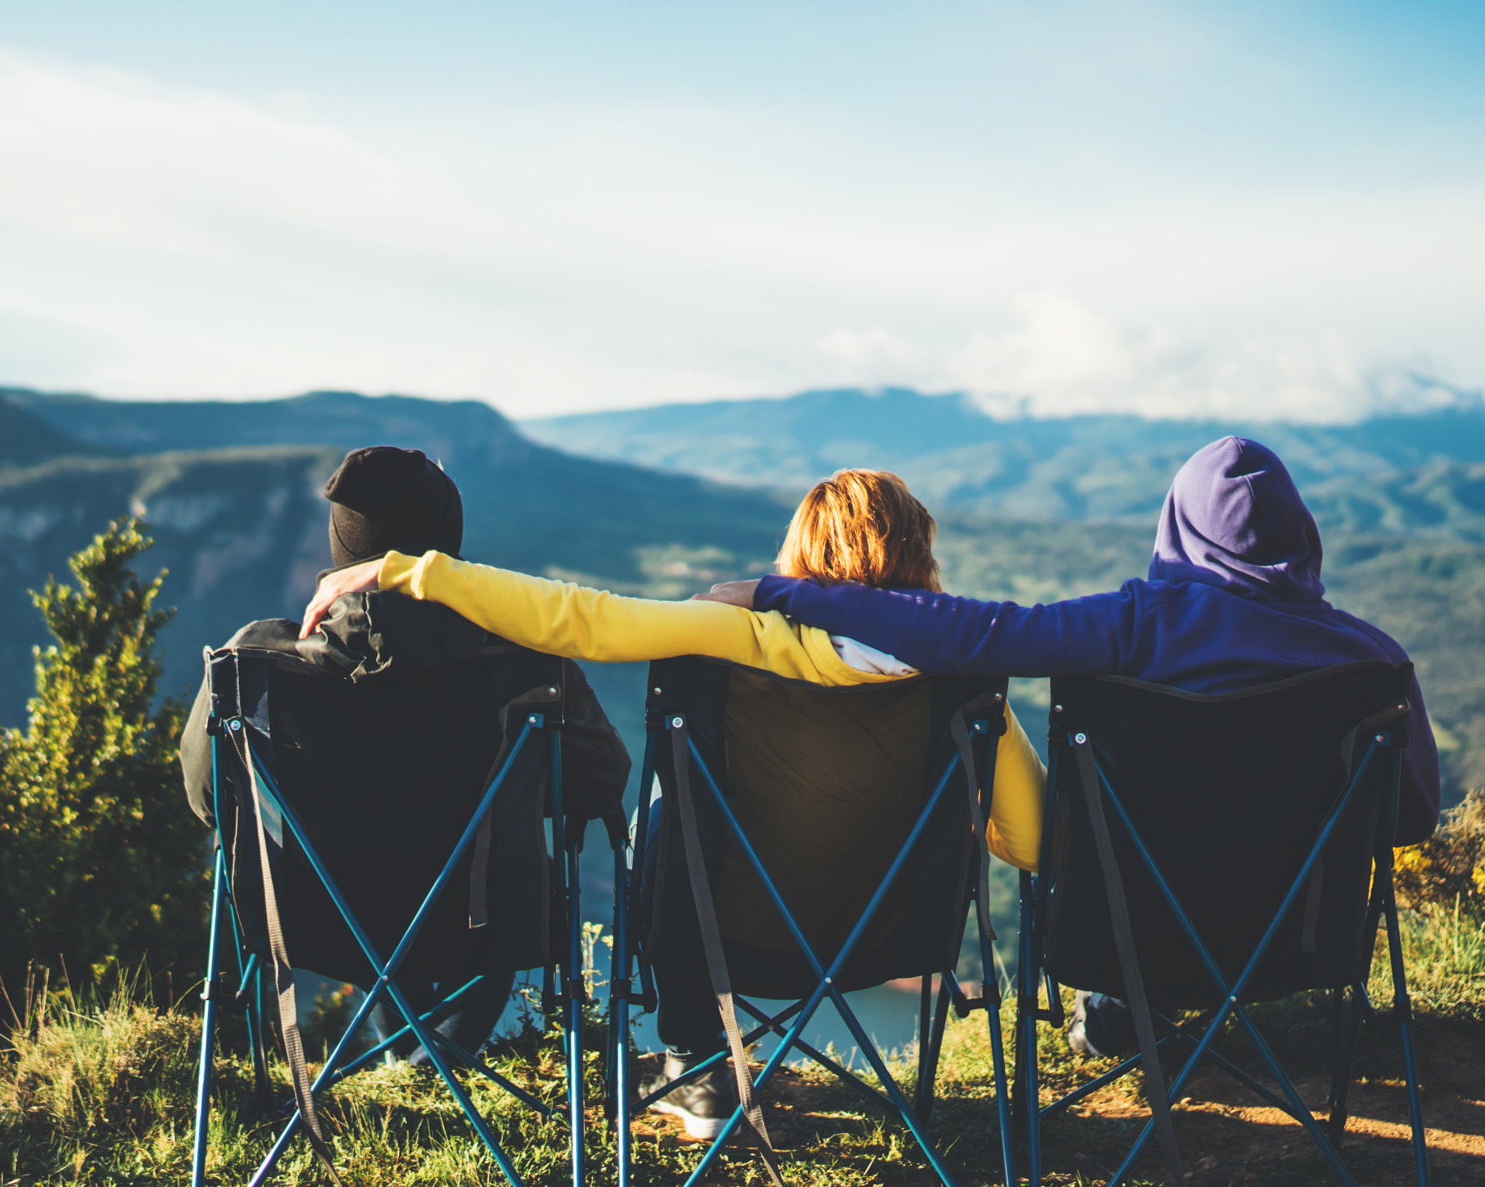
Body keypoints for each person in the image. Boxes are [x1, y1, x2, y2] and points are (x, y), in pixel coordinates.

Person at [300, 468, 1047, 1138]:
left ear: (803, 556)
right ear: (922, 561)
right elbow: (1036, 842)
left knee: (671, 801)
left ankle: (696, 1058)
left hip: (723, 929)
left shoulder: (736, 637)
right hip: (887, 941)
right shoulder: (965, 690)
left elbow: (574, 615)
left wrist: (410, 573)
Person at [697, 436, 1444, 1057]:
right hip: (1300, 943)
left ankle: (1122, 1009)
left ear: (1179, 529)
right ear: (1302, 533)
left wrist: (786, 591)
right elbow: (1407, 819)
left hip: (1135, 937)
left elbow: (965, 636)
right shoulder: (1374, 663)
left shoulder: (1131, 627)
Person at [190, 445, 631, 1067]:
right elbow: (599, 783)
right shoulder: (526, 662)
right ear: (446, 544)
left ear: (342, 547)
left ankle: (411, 1064)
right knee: (475, 894)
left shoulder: (255, 664)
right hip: (480, 921)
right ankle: (435, 1064)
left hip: (312, 914)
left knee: (369, 916)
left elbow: (210, 796)